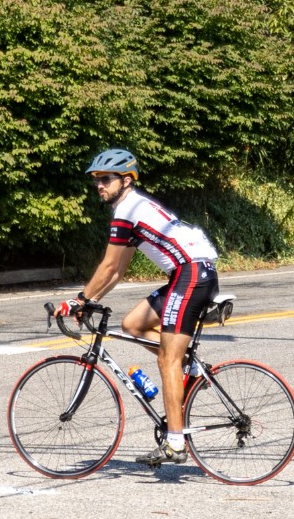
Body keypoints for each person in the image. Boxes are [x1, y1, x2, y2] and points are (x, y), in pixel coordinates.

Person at [59, 148, 220, 467]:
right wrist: (91, 300)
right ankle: (185, 364)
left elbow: (106, 266)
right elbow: (117, 270)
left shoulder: (128, 210)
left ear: (127, 179)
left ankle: (175, 443)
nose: (100, 186)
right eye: (96, 181)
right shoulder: (133, 209)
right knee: (134, 324)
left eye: (105, 179)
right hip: (187, 273)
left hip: (191, 274)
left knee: (166, 361)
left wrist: (79, 299)